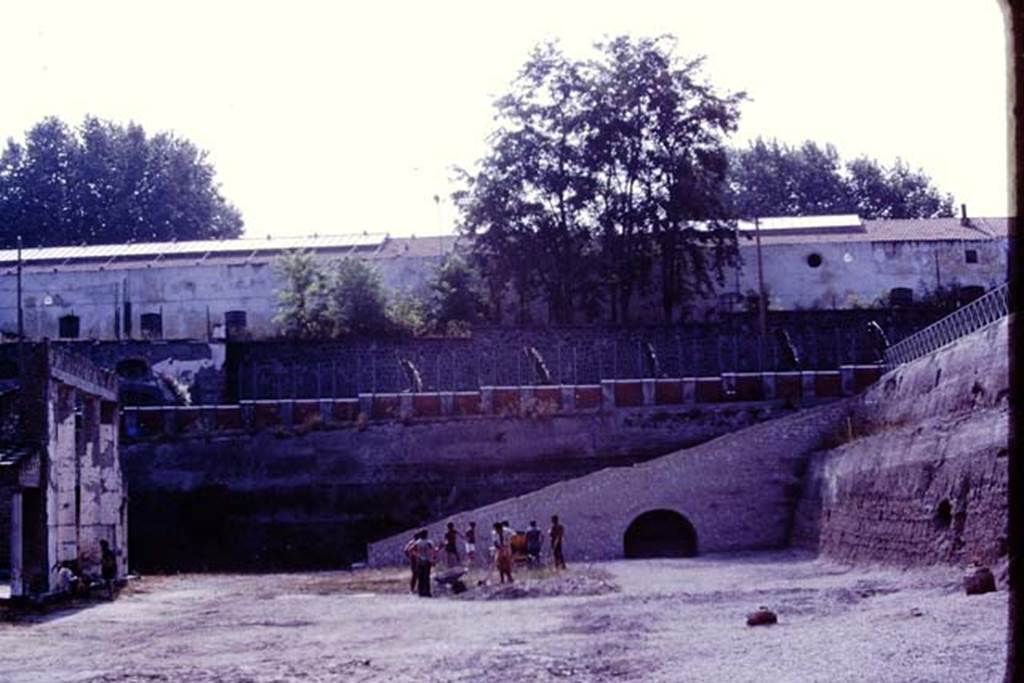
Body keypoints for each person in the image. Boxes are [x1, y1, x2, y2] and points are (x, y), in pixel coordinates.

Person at [413, 529, 437, 597]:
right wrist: (433, 559)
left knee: (421, 576)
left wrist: (418, 556)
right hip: (427, 560)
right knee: (426, 576)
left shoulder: (417, 542)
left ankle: (421, 591)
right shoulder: (429, 542)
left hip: (420, 561)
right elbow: (434, 551)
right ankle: (427, 591)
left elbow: (411, 550)